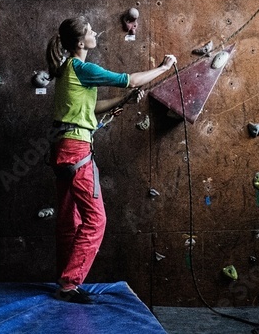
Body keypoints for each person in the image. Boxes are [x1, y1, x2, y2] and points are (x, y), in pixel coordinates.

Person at [45, 16, 176, 304]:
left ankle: (63, 279)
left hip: (62, 150)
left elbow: (91, 108)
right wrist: (164, 68)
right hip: (77, 150)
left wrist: (123, 100)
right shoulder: (82, 67)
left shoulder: (68, 69)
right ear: (81, 43)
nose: (95, 33)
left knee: (70, 219)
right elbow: (127, 79)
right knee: (96, 220)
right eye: (91, 31)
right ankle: (69, 284)